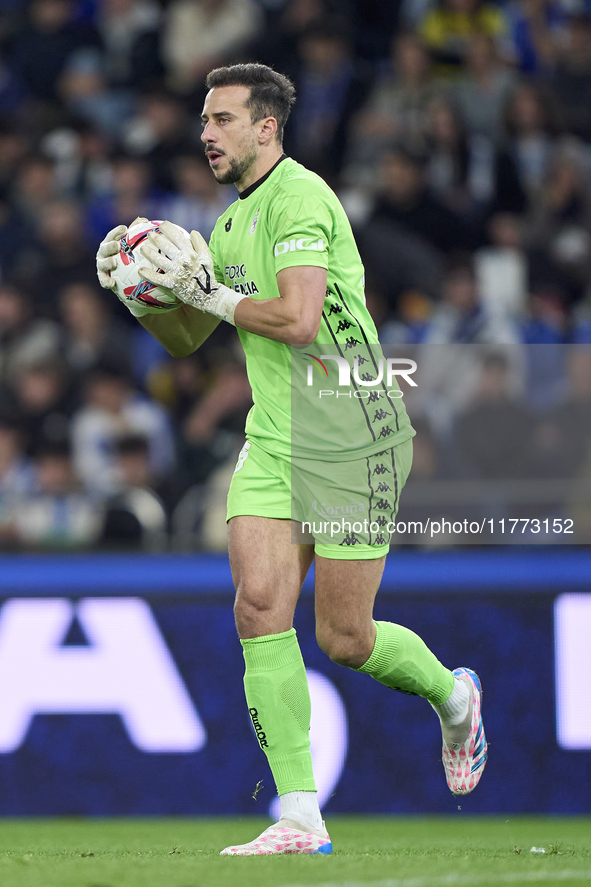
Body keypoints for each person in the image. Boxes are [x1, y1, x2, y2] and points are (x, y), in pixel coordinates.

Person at [95, 63, 487, 856]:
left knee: (344, 635)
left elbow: (301, 320)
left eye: (222, 119)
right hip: (276, 438)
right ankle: (300, 816)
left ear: (265, 127)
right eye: (204, 120)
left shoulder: (301, 197)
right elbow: (189, 338)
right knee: (256, 605)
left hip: (354, 433)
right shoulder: (232, 222)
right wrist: (141, 297)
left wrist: (210, 296)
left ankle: (455, 699)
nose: (205, 133)